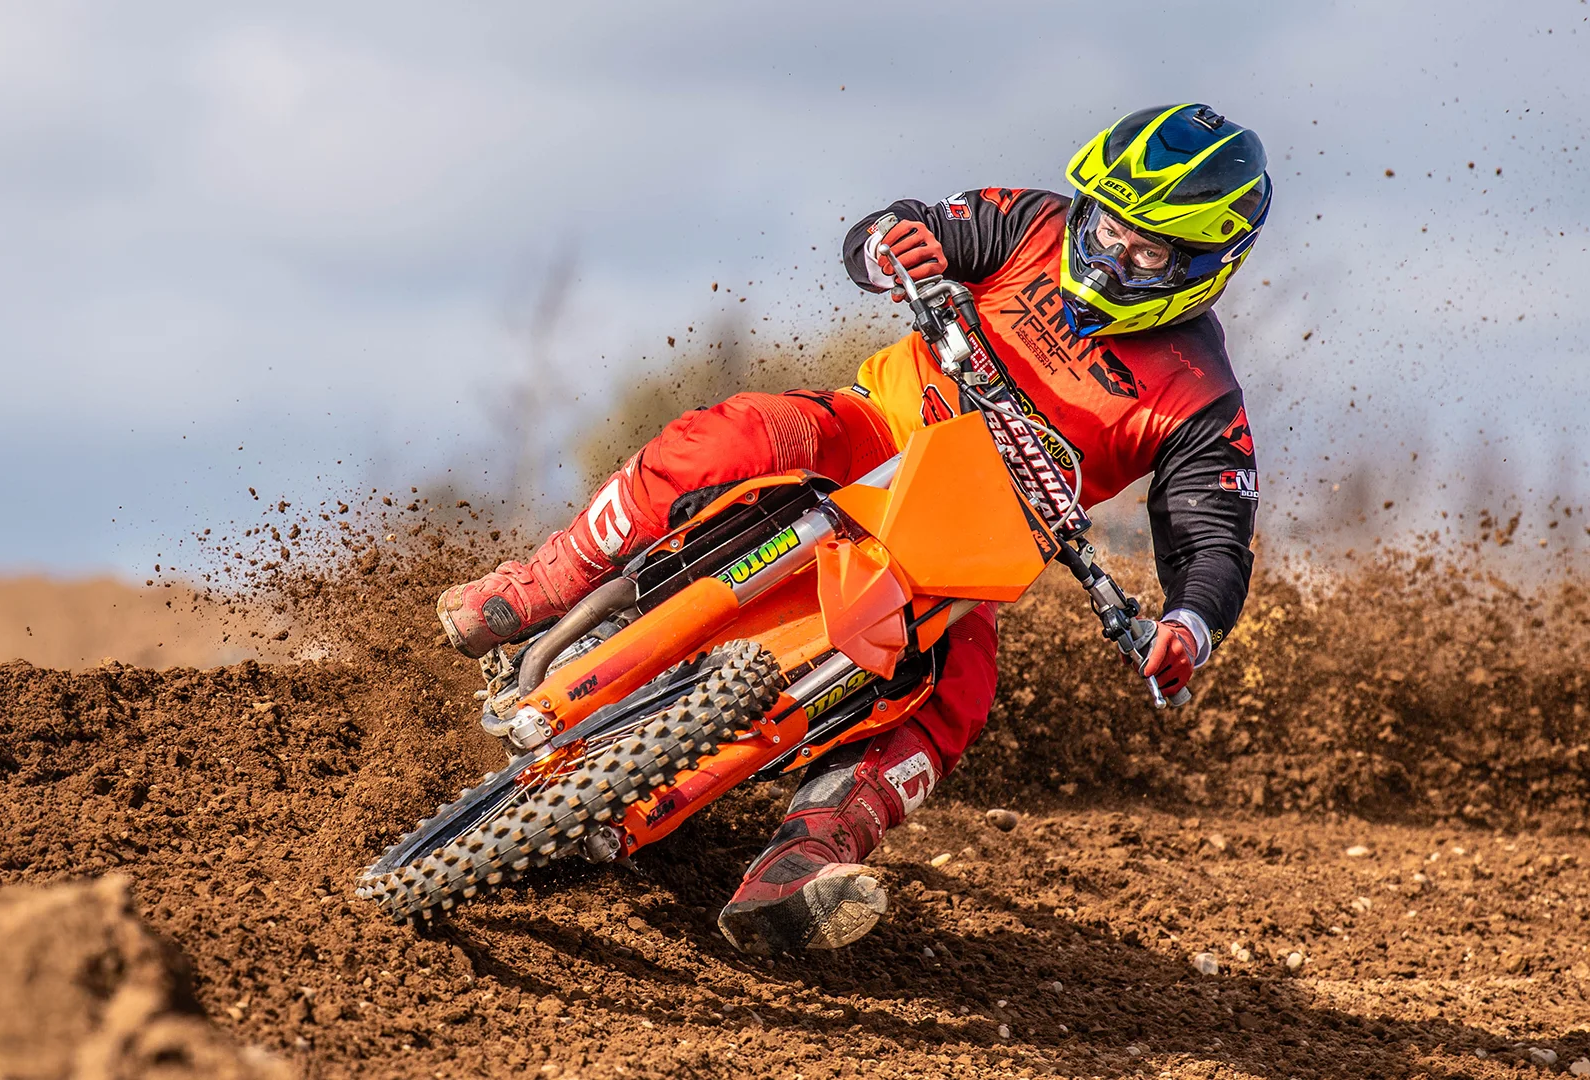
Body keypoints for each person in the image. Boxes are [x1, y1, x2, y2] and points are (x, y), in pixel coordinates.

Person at [437, 103, 1270, 955]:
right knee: (732, 434)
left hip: (976, 547)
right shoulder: (1030, 224)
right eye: (1107, 225)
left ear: (1207, 265)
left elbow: (1214, 537)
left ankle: (807, 860)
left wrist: (1188, 623)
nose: (1108, 254)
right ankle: (535, 587)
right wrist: (890, 247)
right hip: (873, 432)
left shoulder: (1199, 394)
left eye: (1148, 250)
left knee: (960, 692)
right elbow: (903, 225)